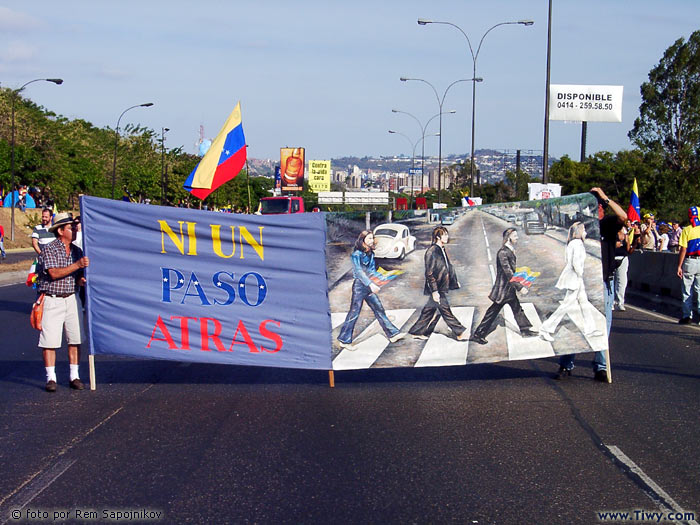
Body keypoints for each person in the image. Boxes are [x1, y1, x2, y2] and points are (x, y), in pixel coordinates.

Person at [539, 222, 603, 377]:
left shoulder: (574, 243)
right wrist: (581, 274)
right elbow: (574, 263)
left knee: (584, 303)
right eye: (584, 230)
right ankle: (546, 329)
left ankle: (590, 328)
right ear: (578, 231)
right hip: (575, 277)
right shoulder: (576, 244)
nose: (586, 232)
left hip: (576, 278)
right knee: (566, 306)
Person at [36, 212, 89, 392]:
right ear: (60, 231)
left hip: (71, 298)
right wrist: (77, 265)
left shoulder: (77, 251)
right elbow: (53, 273)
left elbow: (76, 276)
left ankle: (74, 375)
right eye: (70, 227)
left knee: (75, 338)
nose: (74, 230)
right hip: (52, 299)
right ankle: (51, 378)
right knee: (49, 341)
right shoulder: (49, 249)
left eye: (74, 227)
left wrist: (81, 279)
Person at [337, 230, 405, 349]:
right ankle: (344, 340)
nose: (371, 240)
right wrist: (371, 284)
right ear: (362, 240)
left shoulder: (370, 253)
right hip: (360, 286)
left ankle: (393, 334)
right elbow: (358, 272)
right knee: (354, 313)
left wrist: (383, 276)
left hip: (368, 285)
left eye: (372, 238)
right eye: (368, 238)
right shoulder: (356, 254)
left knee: (379, 308)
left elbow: (372, 270)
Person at [471, 228, 538, 345]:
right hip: (503, 289)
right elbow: (508, 272)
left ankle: (525, 329)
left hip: (509, 288)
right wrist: (519, 287)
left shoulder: (510, 250)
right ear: (509, 237)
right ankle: (478, 334)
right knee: (493, 311)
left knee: (517, 308)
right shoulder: (503, 252)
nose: (517, 238)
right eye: (515, 236)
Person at [409, 226, 469, 341]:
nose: (447, 237)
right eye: (445, 235)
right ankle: (459, 332)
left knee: (428, 310)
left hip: (441, 285)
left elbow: (447, 266)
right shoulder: (432, 251)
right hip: (437, 287)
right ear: (438, 237)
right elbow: (429, 273)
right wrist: (434, 291)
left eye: (447, 234)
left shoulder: (441, 249)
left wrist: (454, 282)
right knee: (445, 310)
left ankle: (416, 331)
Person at [676, 206, 700, 325]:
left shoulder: (687, 230)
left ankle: (687, 316)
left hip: (690, 262)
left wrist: (679, 266)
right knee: (699, 290)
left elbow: (683, 249)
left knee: (687, 290)